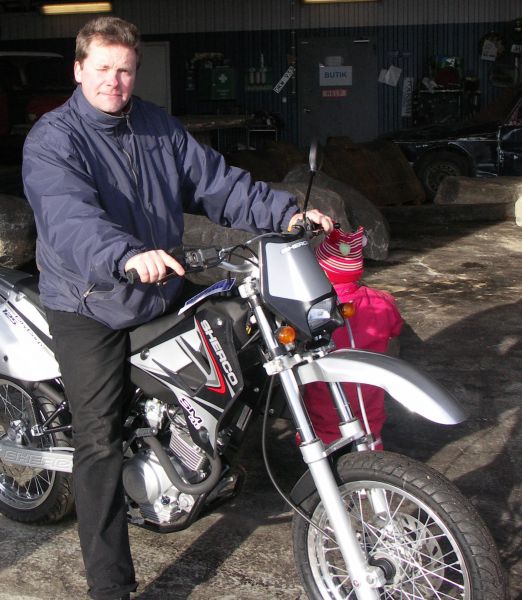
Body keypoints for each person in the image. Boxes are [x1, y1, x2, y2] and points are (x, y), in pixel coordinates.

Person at [22, 16, 333, 600]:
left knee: (240, 335)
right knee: (98, 440)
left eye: (125, 70)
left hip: (159, 283)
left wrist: (286, 213)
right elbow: (68, 217)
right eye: (103, 68)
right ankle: (109, 585)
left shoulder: (157, 127)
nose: (114, 81)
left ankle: (196, 453)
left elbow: (218, 183)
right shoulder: (53, 139)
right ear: (79, 70)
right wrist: (123, 255)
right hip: (90, 299)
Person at [303, 226, 404, 450]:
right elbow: (396, 328)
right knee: (369, 426)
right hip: (369, 387)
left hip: (328, 392)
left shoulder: (315, 310)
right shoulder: (382, 301)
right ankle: (373, 459)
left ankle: (324, 463)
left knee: (324, 429)